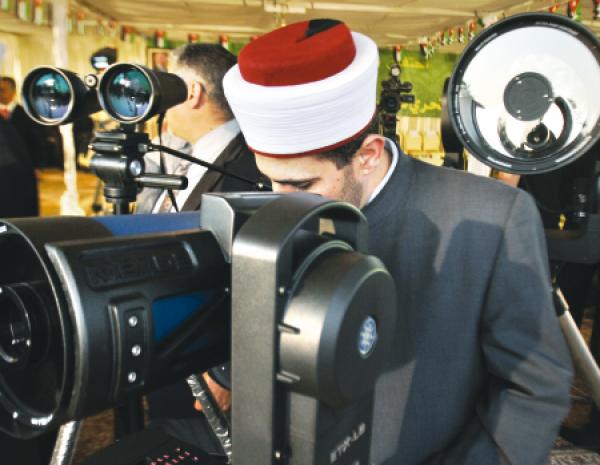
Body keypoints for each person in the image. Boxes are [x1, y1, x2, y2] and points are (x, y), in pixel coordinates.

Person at [222, 19, 574, 465]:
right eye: (271, 180)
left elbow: (534, 386)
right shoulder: (269, 215)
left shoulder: (492, 217)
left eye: (303, 184)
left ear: (367, 155)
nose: (282, 202)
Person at [138, 43, 265, 451]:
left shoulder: (249, 167)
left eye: (167, 87)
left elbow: (262, 278)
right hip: (173, 363)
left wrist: (232, 373)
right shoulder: (193, 155)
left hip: (208, 382)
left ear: (192, 92)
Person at [0, 76, 63, 168]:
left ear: (13, 91)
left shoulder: (28, 115)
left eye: (2, 90)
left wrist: (38, 166)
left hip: (23, 167)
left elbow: (37, 142)